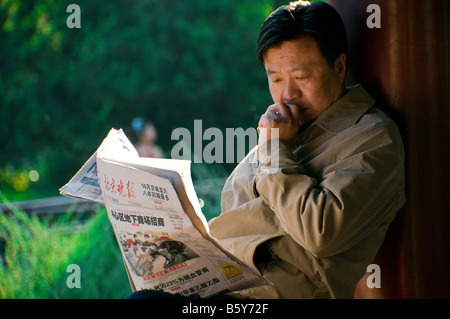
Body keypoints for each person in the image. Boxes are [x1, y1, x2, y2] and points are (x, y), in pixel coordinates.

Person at [208, 1, 405, 299]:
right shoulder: (285, 130)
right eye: (275, 79)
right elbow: (233, 207)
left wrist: (274, 150)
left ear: (339, 67)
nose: (288, 94)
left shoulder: (373, 138)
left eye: (302, 78)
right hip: (223, 285)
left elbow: (320, 233)